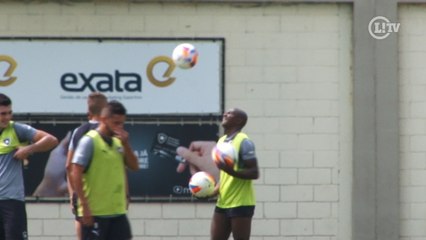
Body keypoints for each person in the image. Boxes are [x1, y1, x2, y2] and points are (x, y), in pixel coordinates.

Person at [177, 108, 259, 240]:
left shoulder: (244, 141)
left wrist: (230, 170)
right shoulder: (221, 142)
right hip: (223, 202)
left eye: (230, 113)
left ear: (239, 120)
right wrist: (210, 193)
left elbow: (254, 173)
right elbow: (224, 178)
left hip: (241, 203)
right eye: (226, 112)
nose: (225, 114)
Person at [70, 100, 139, 240]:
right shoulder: (89, 141)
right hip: (95, 213)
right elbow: (75, 172)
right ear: (103, 119)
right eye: (116, 123)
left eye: (122, 123)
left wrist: (126, 144)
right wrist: (84, 205)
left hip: (117, 212)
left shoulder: (119, 142)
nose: (120, 127)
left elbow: (134, 166)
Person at [0, 93, 58, 240]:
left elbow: (51, 140)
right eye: (2, 114)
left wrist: (29, 149)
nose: (7, 117)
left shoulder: (16, 130)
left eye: (9, 113)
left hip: (11, 202)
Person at [65, 92, 108, 239]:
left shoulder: (78, 132)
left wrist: (73, 195)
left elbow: (69, 166)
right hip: (106, 195)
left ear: (89, 112)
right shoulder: (111, 132)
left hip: (83, 194)